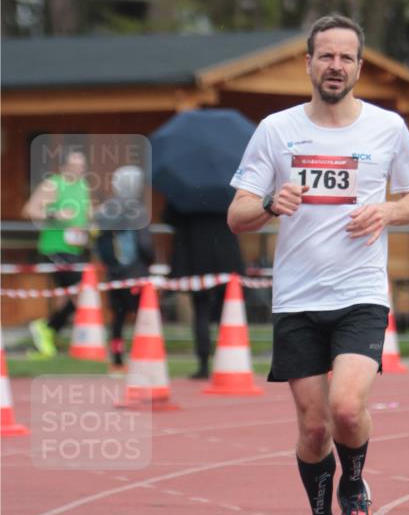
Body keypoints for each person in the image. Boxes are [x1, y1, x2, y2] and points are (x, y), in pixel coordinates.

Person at [228, 14, 409, 515]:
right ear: (309, 64)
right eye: (326, 56)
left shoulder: (387, 128)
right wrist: (271, 204)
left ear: (360, 67)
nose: (335, 65)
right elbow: (237, 214)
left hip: (361, 292)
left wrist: (387, 209)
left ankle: (356, 490)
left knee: (346, 407)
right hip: (296, 298)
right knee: (313, 426)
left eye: (346, 57)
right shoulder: (276, 129)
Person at [164, 202, 245, 379]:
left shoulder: (183, 193)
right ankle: (229, 362)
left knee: (201, 311)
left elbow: (169, 218)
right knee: (228, 313)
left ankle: (203, 363)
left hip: (195, 254)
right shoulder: (226, 190)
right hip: (225, 254)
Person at [23, 147, 91, 356]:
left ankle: (46, 333)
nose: (79, 169)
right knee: (81, 292)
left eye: (82, 165)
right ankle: (48, 329)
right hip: (55, 247)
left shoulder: (83, 186)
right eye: (74, 164)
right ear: (63, 167)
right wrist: (55, 213)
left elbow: (85, 214)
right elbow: (29, 211)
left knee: (67, 297)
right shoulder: (53, 184)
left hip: (76, 248)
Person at [95, 165, 154, 370]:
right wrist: (149, 261)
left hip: (113, 273)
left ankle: (117, 357)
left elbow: (99, 240)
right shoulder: (137, 210)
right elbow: (145, 244)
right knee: (141, 315)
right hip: (135, 271)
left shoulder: (106, 209)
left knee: (117, 316)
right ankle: (142, 355)